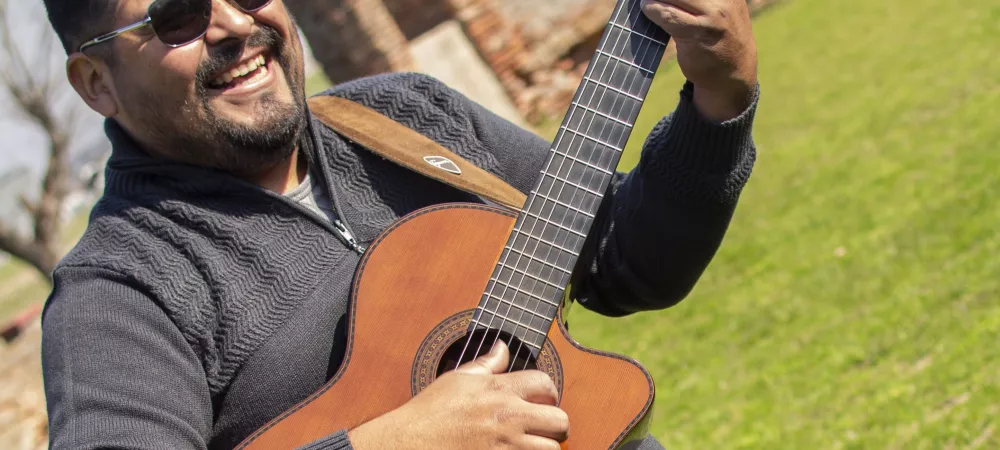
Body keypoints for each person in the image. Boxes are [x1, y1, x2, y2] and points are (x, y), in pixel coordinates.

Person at [39, 0, 759, 448]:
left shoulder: (407, 115)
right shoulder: (119, 291)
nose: (233, 24)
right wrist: (396, 443)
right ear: (96, 81)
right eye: (178, 16)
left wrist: (719, 102)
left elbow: (623, 260)